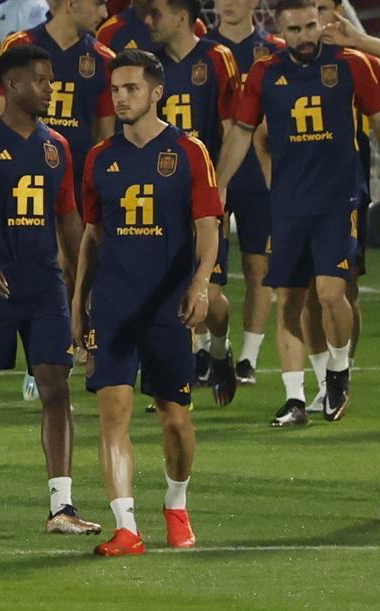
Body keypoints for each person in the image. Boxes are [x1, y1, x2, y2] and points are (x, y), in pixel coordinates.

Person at [72, 49, 222, 557]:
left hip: (168, 307)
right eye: (116, 89)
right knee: (113, 412)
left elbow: (208, 228)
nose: (120, 97)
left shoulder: (188, 152)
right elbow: (91, 237)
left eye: (131, 88)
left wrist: (201, 282)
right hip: (113, 304)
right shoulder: (98, 157)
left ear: (157, 92)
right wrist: (78, 303)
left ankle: (176, 504)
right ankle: (126, 527)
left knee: (174, 417)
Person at [214, 0, 380, 427]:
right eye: (294, 29)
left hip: (339, 200)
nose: (305, 36)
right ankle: (294, 399)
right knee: (288, 299)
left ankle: (338, 371)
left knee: (331, 293)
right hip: (288, 205)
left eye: (311, 26)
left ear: (323, 21)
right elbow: (243, 133)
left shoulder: (352, 64)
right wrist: (216, 188)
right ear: (281, 31)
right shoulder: (265, 73)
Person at [0, 44, 100, 536]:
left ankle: (62, 504)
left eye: (50, 80)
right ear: (10, 85)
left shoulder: (56, 146)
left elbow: (70, 220)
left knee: (57, 388)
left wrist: (84, 284)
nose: (50, 88)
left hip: (43, 285)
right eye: (40, 80)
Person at [0, 0, 115, 408]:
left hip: (77, 182)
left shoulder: (102, 59)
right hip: (22, 178)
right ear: (71, 3)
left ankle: (86, 345)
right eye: (99, 2)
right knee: (36, 268)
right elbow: (1, 118)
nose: (105, 10)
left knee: (82, 266)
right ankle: (35, 361)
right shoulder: (20, 48)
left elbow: (104, 132)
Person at [145, 0, 241, 404]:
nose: (149, 22)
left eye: (157, 14)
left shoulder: (217, 58)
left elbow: (235, 127)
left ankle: (218, 351)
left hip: (205, 194)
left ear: (181, 17)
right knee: (165, 291)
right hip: (163, 196)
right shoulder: (152, 68)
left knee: (212, 297)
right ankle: (173, 380)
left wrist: (219, 184)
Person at [297, 0, 380, 407]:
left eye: (322, 9)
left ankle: (341, 373)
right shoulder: (288, 66)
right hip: (298, 195)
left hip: (346, 190)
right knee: (308, 293)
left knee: (341, 288)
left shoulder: (356, 64)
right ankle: (324, 380)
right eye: (308, 11)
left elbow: (379, 124)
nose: (316, 20)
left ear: (338, 10)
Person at [205, 0, 285, 385]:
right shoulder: (200, 48)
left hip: (258, 173)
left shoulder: (275, 49)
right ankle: (204, 352)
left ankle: (249, 359)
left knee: (259, 266)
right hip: (212, 171)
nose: (228, 1)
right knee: (201, 268)